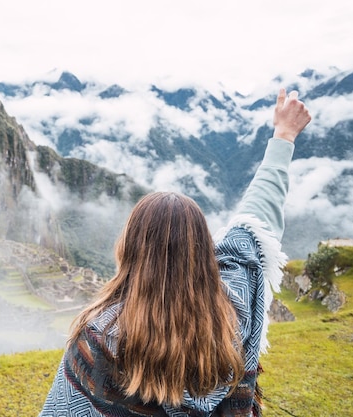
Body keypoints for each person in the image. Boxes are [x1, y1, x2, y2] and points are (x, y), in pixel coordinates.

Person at [39, 88, 312, 417]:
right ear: (203, 251)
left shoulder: (101, 338)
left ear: (130, 248)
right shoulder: (233, 311)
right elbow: (258, 219)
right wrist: (284, 136)